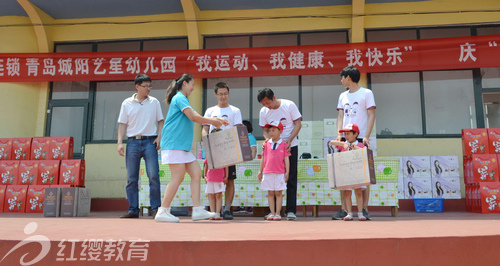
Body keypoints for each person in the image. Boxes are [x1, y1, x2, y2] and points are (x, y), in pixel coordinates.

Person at [154, 74, 229, 223]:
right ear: (185, 83)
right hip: (174, 144)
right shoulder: (179, 97)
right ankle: (162, 210)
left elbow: (196, 115)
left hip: (181, 146)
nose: (193, 87)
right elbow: (193, 117)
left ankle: (197, 210)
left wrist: (215, 120)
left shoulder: (183, 99)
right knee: (178, 177)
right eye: (192, 84)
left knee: (196, 173)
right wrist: (213, 121)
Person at [117, 74, 164, 219]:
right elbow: (122, 124)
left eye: (150, 86)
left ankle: (155, 209)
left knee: (154, 176)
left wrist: (159, 138)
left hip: (150, 142)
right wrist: (119, 142)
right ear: (137, 86)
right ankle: (133, 210)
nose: (148, 89)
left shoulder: (154, 102)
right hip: (132, 142)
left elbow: (161, 121)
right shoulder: (127, 103)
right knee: (132, 178)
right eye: (145, 86)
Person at [333, 66, 376, 221]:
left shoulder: (366, 93)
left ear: (349, 77)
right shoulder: (342, 96)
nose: (341, 80)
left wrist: (367, 136)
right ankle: (344, 209)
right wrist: (339, 134)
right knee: (344, 175)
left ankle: (364, 208)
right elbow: (340, 115)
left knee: (364, 176)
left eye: (342, 77)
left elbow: (371, 115)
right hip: (345, 139)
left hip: (361, 138)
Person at [258, 88, 302, 221]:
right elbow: (265, 131)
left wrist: (289, 140)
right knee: (272, 180)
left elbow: (298, 124)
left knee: (290, 178)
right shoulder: (264, 111)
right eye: (264, 104)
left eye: (268, 103)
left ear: (274, 97)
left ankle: (290, 211)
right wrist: (267, 141)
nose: (267, 106)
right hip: (273, 149)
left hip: (289, 146)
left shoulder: (289, 105)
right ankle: (274, 212)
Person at [202, 82, 243, 220]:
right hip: (214, 148)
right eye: (220, 94)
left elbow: (238, 129)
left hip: (229, 148)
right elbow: (205, 129)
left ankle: (226, 209)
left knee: (229, 179)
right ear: (215, 94)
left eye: (225, 93)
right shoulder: (210, 111)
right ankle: (214, 210)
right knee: (212, 179)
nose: (223, 96)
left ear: (228, 94)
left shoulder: (235, 110)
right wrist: (206, 143)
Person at [329, 123, 367, 221]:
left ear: (355, 134)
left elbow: (365, 152)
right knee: (347, 193)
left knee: (358, 192)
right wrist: (342, 144)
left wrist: (355, 147)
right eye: (345, 134)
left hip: (357, 174)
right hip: (346, 174)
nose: (346, 136)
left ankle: (360, 213)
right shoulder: (343, 145)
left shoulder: (360, 144)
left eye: (348, 133)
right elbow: (332, 142)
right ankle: (349, 213)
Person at [257, 121, 290, 221]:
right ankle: (271, 213)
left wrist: (287, 172)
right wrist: (260, 171)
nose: (271, 133)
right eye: (270, 131)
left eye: (273, 130)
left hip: (279, 172)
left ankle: (278, 213)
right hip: (267, 172)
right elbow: (263, 158)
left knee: (278, 193)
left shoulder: (284, 144)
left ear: (280, 131)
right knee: (270, 193)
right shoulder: (266, 144)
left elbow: (286, 159)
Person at [203, 129, 228, 220]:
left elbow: (226, 165)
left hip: (220, 177)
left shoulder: (224, 150)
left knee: (218, 195)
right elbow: (206, 164)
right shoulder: (209, 150)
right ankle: (212, 213)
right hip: (210, 176)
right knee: (211, 195)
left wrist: (226, 176)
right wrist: (205, 175)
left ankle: (217, 213)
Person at [234, 120, 257, 214]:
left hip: (247, 165)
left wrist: (249, 162)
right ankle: (241, 205)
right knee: (239, 186)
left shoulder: (251, 138)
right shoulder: (239, 137)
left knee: (249, 186)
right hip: (240, 164)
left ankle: (250, 206)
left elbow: (254, 151)